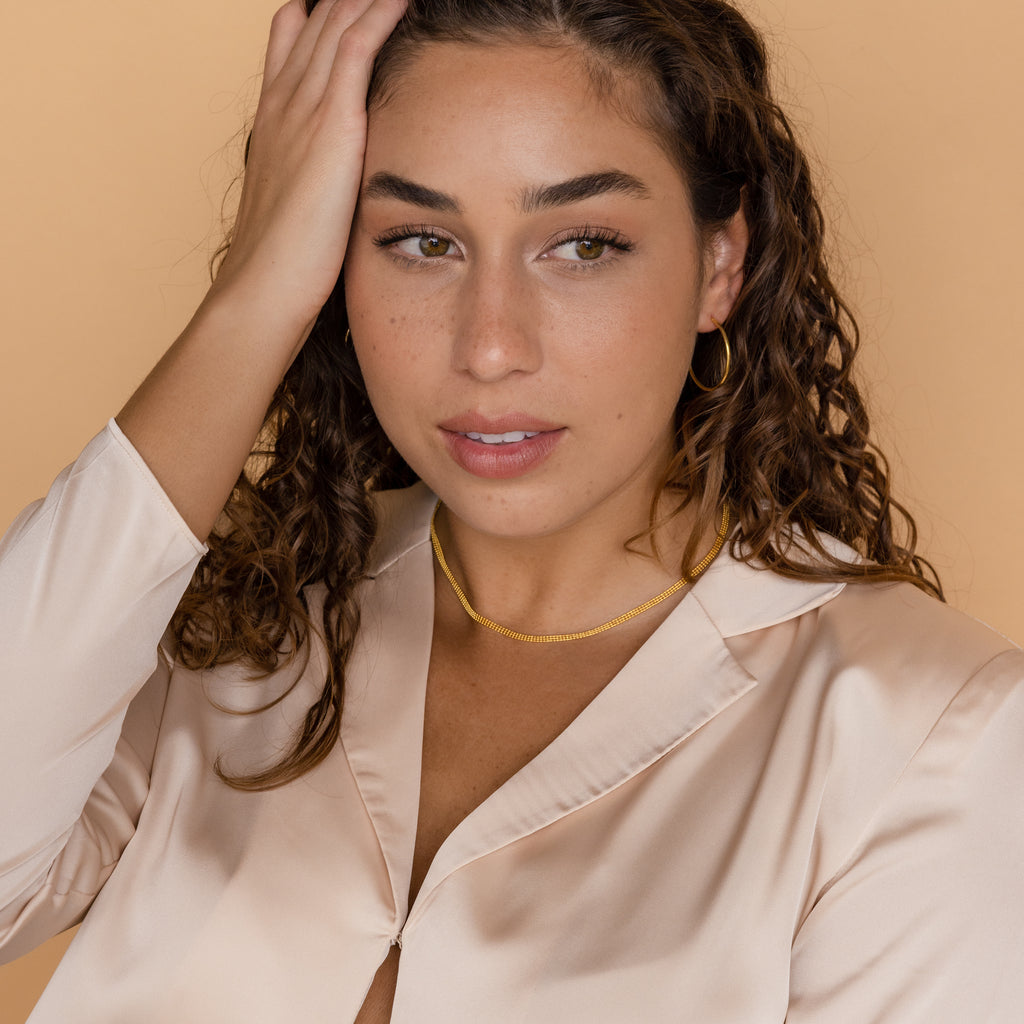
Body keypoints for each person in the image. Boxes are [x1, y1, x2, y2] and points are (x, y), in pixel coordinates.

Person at [1, 0, 1022, 1020]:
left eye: (581, 244)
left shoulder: (930, 733)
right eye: (417, 240)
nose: (491, 346)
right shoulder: (238, 636)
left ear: (721, 265)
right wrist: (252, 296)